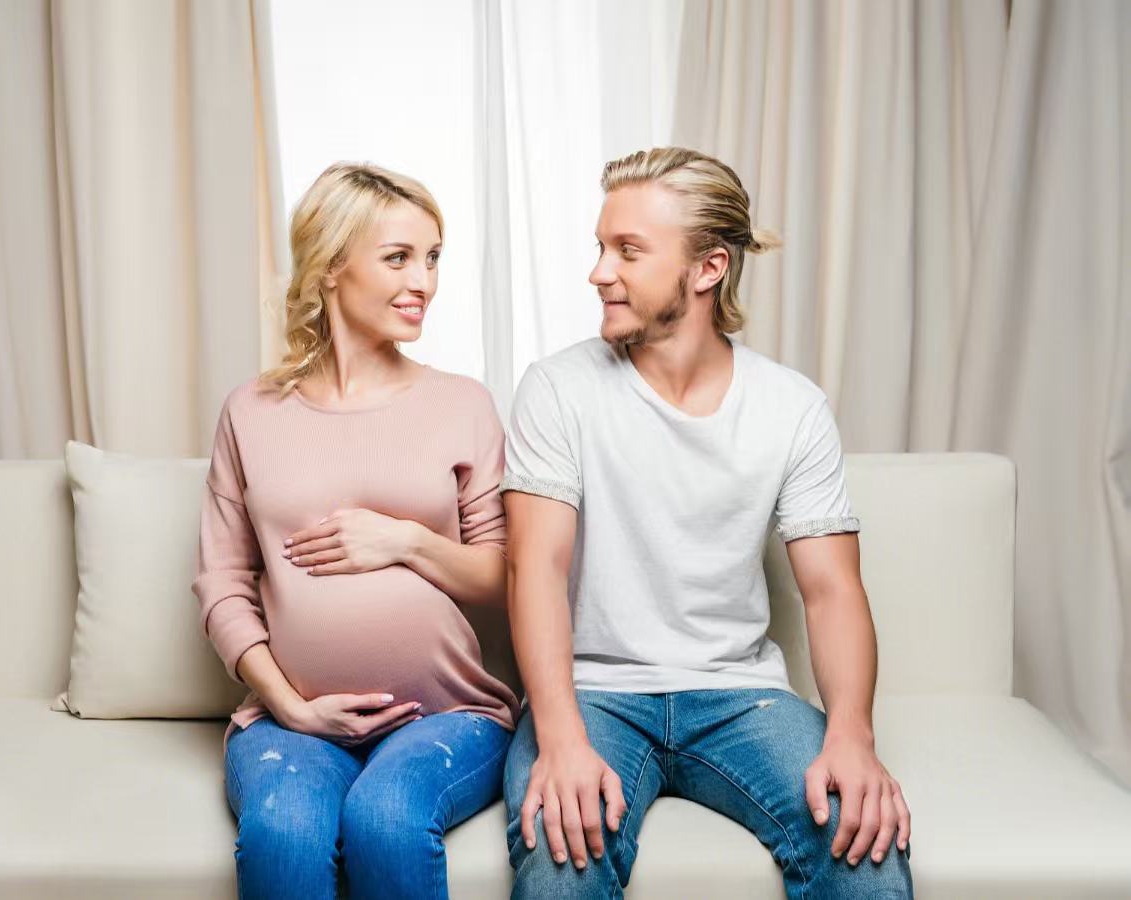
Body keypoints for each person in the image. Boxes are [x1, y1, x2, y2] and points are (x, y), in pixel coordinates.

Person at [499, 146, 914, 898]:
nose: (599, 271)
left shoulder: (792, 406)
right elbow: (537, 570)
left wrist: (852, 733)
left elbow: (832, 592)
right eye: (600, 247)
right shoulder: (557, 390)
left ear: (708, 268)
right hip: (591, 693)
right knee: (562, 857)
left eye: (627, 250)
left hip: (739, 694)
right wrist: (559, 737)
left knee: (867, 850)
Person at [191, 161, 520, 899]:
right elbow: (221, 582)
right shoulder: (251, 412)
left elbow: (506, 578)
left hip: (451, 712)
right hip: (291, 718)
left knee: (387, 820)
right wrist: (288, 704)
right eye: (399, 257)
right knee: (284, 831)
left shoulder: (462, 403)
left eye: (434, 258)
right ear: (333, 265)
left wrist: (405, 541)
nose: (425, 282)